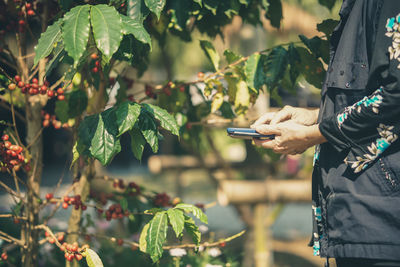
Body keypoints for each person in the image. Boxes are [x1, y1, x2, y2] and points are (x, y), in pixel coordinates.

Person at [251, 0, 400, 266]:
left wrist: (315, 134)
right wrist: (313, 118)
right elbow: (369, 97)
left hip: (381, 218)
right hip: (357, 216)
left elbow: (395, 96)